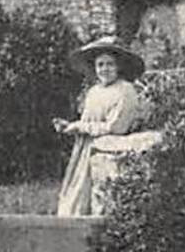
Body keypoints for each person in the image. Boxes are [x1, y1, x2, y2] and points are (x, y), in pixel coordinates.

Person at [54, 36, 149, 216]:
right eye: (100, 65)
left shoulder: (125, 90)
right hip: (84, 149)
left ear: (118, 66)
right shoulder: (94, 91)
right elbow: (88, 121)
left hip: (106, 149)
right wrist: (70, 126)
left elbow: (116, 128)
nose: (104, 69)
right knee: (75, 197)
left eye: (110, 64)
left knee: (98, 200)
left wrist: (78, 127)